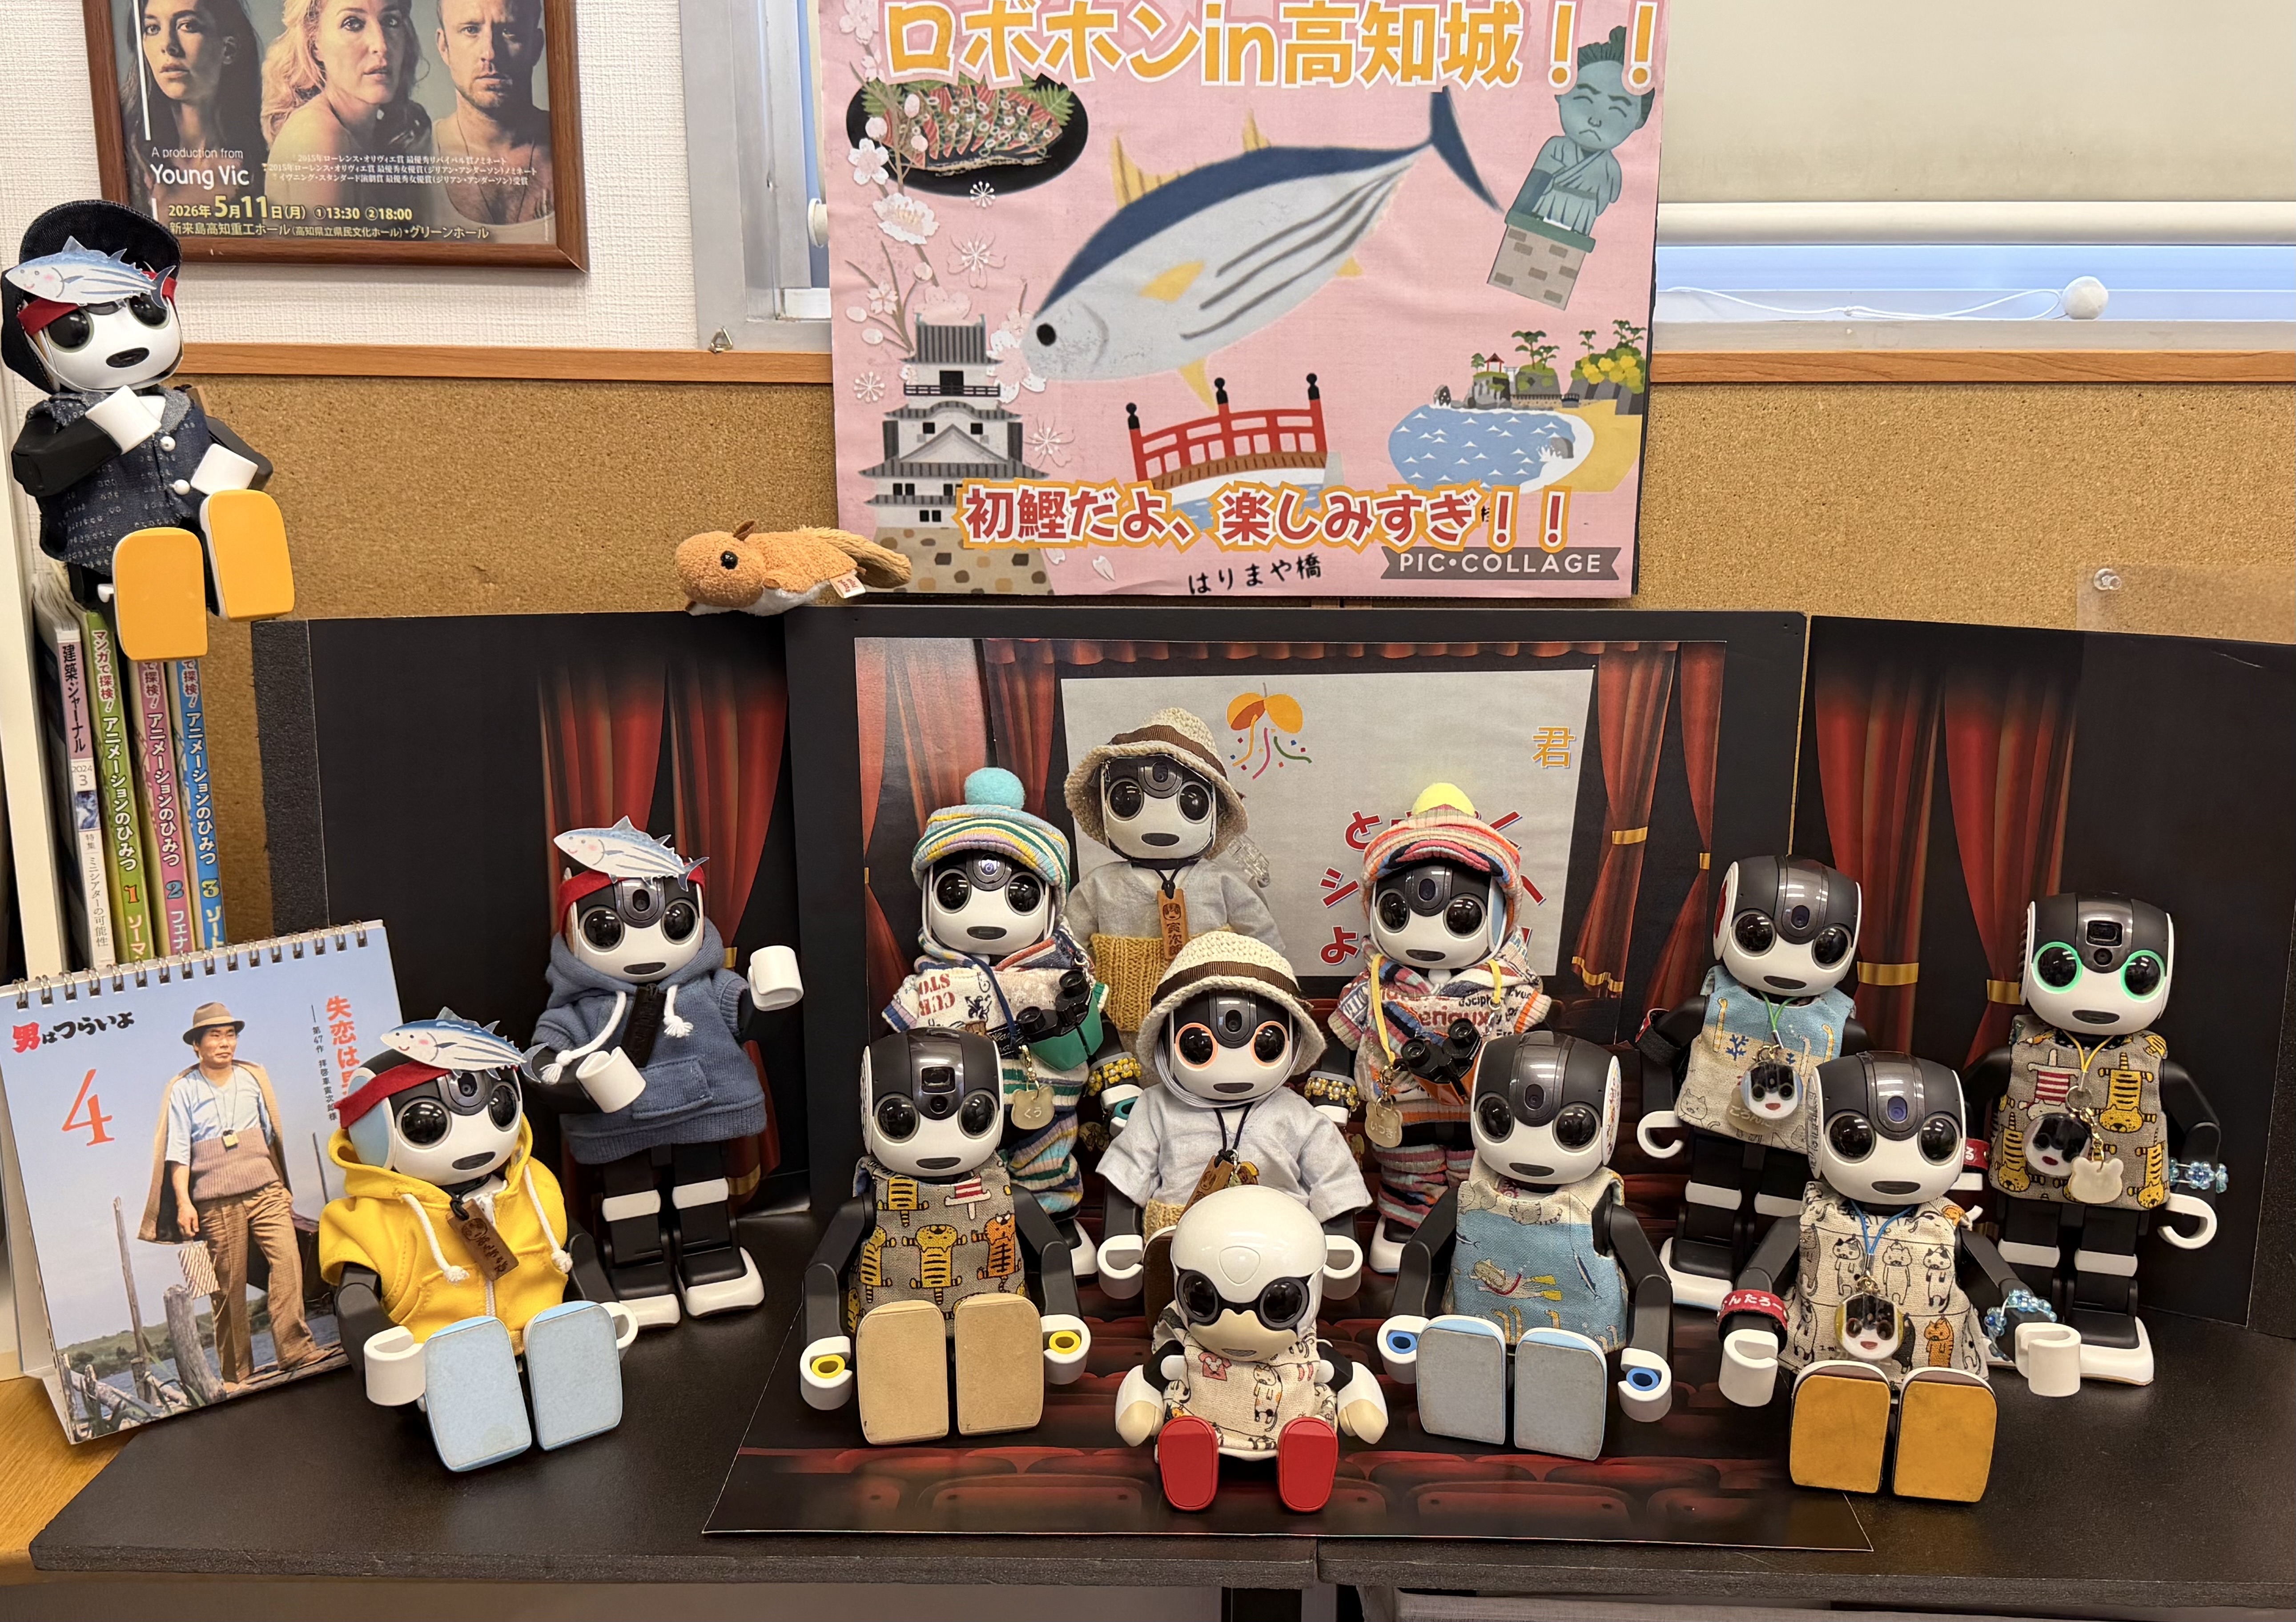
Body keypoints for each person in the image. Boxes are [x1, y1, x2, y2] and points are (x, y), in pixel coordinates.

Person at [138, 1002, 324, 1390]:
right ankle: (236, 1373)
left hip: (265, 1188)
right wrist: (185, 1202)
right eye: (215, 1036)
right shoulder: (184, 1089)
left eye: (230, 1035)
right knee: (229, 1284)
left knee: (288, 1262)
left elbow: (270, 1136)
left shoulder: (253, 1078)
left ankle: (296, 1349)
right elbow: (178, 1152)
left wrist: (282, 1185)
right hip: (216, 1199)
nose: (225, 1043)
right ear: (197, 1044)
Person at [259, 0, 432, 229]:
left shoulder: (373, 135)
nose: (381, 45)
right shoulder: (320, 136)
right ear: (315, 44)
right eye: (353, 24)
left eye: (391, 21)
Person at [121, 0, 269, 222]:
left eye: (188, 26)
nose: (168, 45)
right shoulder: (125, 155)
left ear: (229, 49)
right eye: (152, 28)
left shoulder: (266, 166)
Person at [428, 0, 554, 232]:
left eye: (510, 32)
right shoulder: (415, 152)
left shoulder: (576, 147)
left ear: (536, 47)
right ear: (444, 47)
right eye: (471, 30)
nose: (490, 54)